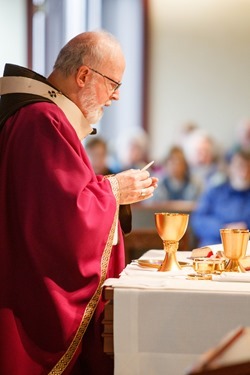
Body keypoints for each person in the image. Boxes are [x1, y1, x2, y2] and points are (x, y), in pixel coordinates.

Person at [0, 30, 158, 375]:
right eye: (113, 84)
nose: (115, 96)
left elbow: (56, 196)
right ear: (84, 75)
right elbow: (61, 219)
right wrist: (114, 190)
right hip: (23, 298)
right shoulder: (42, 120)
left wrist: (113, 190)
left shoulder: (40, 116)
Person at [190, 149, 250, 247]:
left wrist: (245, 227)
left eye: (248, 166)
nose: (245, 172)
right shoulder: (214, 192)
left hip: (245, 248)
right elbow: (198, 220)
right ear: (230, 167)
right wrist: (224, 228)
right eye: (240, 166)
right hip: (214, 247)